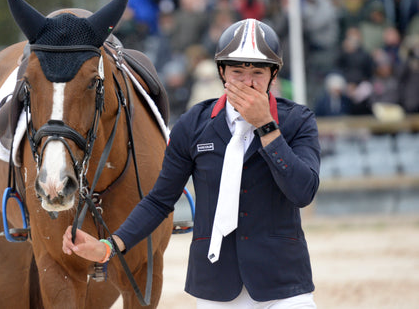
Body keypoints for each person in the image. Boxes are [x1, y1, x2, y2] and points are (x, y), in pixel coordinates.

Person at [63, 18, 320, 307]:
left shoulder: (298, 121)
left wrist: (266, 127)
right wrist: (110, 246)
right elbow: (160, 200)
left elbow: (303, 192)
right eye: (237, 71)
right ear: (222, 72)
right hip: (215, 284)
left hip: (284, 282)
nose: (248, 83)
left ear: (273, 76)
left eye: (258, 73)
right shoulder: (193, 125)